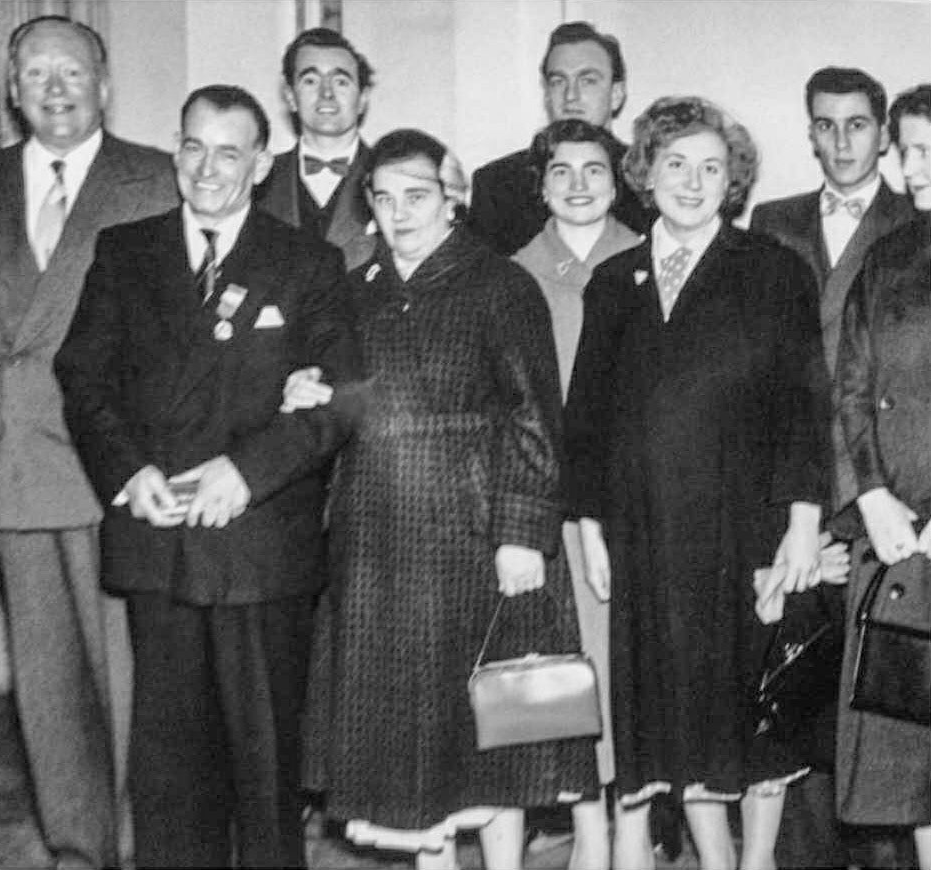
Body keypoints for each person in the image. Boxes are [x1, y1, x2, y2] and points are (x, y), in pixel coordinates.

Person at [53, 84, 360, 869]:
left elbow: (341, 399)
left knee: (264, 773)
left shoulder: (309, 263)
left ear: (260, 164)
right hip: (158, 543)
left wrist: (248, 472)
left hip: (260, 550)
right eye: (193, 146)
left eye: (230, 152)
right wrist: (127, 474)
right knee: (167, 771)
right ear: (175, 150)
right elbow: (83, 377)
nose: (208, 167)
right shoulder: (126, 251)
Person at [290, 128, 596, 870]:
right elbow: (333, 398)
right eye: (385, 198)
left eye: (417, 196)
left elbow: (534, 417)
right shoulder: (352, 290)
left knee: (495, 736)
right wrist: (303, 391)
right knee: (406, 745)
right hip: (375, 541)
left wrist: (522, 532)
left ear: (451, 198)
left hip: (475, 536)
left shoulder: (499, 284)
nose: (400, 214)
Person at [0, 15, 177, 868]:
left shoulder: (157, 177)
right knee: (49, 675)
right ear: (12, 89)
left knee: (133, 671)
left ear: (104, 83)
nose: (55, 88)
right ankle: (77, 845)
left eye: (72, 71)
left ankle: (147, 843)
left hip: (125, 459)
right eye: (36, 74)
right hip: (16, 451)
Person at [564, 96, 830, 870]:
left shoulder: (774, 269)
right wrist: (588, 529)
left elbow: (804, 409)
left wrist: (804, 526)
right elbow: (585, 420)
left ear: (734, 180)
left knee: (752, 715)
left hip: (744, 529)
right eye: (675, 163)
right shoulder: (615, 281)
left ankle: (756, 865)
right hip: (645, 534)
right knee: (676, 719)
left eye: (712, 167)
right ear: (645, 172)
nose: (692, 180)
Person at [749, 66, 914, 869]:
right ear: (808, 131)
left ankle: (884, 847)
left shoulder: (911, 221)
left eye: (858, 124)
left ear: (883, 134)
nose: (843, 140)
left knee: (882, 685)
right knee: (799, 677)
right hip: (789, 480)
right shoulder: (770, 222)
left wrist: (871, 488)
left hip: (876, 483)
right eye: (826, 124)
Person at [512, 118, 642, 869]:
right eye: (562, 172)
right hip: (553, 507)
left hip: (636, 501)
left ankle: (635, 820)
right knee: (564, 669)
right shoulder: (515, 272)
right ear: (541, 184)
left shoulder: (650, 257)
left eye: (595, 170)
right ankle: (586, 822)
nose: (580, 186)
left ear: (619, 178)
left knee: (632, 664)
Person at [835, 81, 931, 870]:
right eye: (906, 150)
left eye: (930, 149)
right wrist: (871, 494)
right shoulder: (890, 256)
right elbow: (854, 388)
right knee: (914, 751)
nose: (910, 166)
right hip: (898, 529)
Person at [468, 20, 648, 256]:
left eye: (588, 80)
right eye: (558, 81)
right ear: (546, 95)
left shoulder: (647, 178)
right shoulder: (499, 185)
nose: (571, 95)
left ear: (616, 95)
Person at [257, 26, 376, 270]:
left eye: (341, 81)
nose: (327, 93)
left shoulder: (389, 176)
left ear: (362, 98)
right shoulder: (257, 180)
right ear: (290, 96)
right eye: (311, 80)